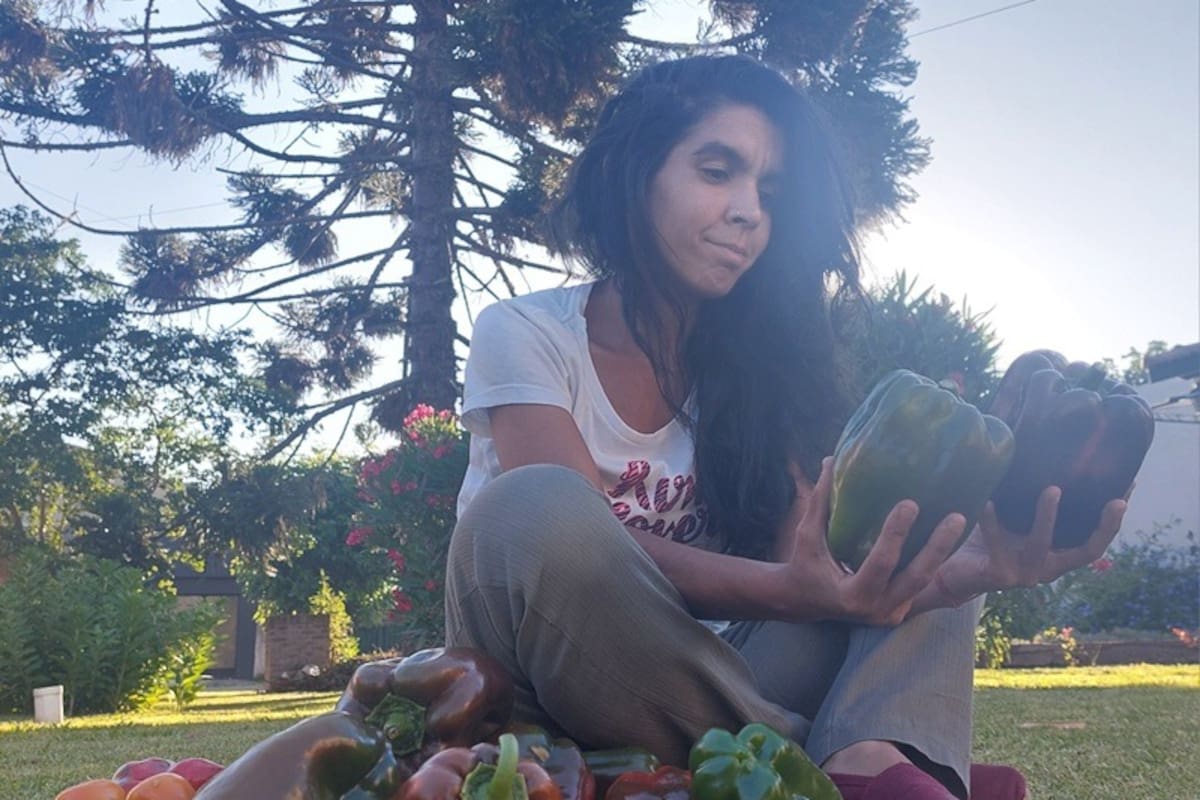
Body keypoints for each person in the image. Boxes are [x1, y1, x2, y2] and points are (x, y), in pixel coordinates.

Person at [443, 55, 1125, 800]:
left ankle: (873, 761)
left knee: (920, 537)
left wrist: (973, 570)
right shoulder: (526, 332)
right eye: (717, 171)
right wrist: (805, 592)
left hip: (711, 684)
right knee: (533, 505)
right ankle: (828, 766)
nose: (749, 213)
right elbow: (596, 553)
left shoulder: (767, 373)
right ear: (636, 174)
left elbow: (815, 572)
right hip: (557, 692)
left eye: (770, 195)